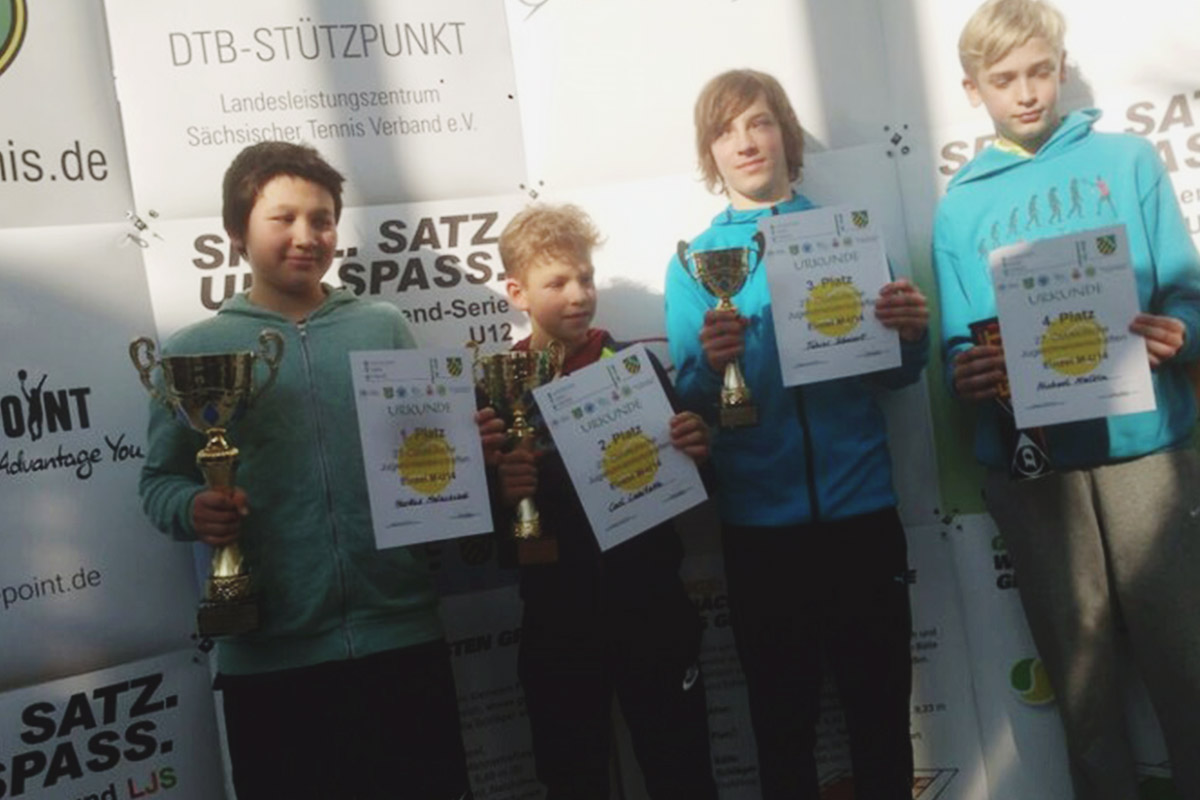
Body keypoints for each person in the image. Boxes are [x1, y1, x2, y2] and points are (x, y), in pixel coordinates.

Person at [139, 141, 472, 800]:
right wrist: (192, 508)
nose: (306, 236)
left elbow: (427, 452)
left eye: (321, 220)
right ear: (236, 233)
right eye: (282, 218)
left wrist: (465, 452)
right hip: (269, 655)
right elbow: (159, 482)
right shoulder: (193, 351)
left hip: (401, 634)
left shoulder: (382, 327)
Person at [933, 1, 1200, 797]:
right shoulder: (960, 205)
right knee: (1083, 692)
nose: (1026, 93)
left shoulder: (1128, 161)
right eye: (1004, 79)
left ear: (1060, 69)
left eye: (1039, 72)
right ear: (973, 89)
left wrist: (1182, 332)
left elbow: (1187, 294)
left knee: (1187, 664)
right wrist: (965, 370)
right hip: (1035, 466)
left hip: (1145, 448)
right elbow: (957, 345)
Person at [664, 69, 929, 799]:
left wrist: (911, 336)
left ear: (785, 134)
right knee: (782, 729)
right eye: (725, 131)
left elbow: (897, 375)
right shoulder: (694, 263)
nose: (746, 142)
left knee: (881, 719)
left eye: (759, 122)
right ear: (710, 153)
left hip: (862, 515)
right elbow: (690, 403)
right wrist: (711, 365)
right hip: (760, 530)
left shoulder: (849, 237)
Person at [475, 203, 718, 800]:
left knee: (683, 774)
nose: (579, 295)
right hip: (556, 620)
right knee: (572, 780)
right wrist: (502, 496)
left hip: (652, 608)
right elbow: (482, 544)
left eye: (585, 278)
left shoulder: (633, 367)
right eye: (557, 283)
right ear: (517, 293)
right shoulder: (497, 390)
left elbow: (698, 488)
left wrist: (699, 451)